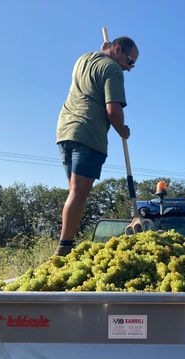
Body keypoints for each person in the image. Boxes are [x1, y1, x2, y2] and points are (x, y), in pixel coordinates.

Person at [54, 36, 139, 256]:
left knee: (74, 192)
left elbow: (100, 53)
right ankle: (64, 248)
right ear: (118, 48)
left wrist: (105, 50)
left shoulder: (83, 59)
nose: (129, 69)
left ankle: (68, 241)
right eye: (130, 62)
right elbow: (113, 111)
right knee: (78, 193)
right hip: (88, 132)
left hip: (65, 130)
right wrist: (123, 130)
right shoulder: (113, 69)